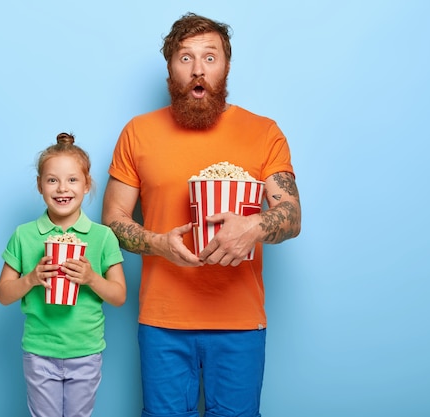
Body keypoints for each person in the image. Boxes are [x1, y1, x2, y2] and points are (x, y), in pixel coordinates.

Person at [102, 12, 301, 417]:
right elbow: (113, 220)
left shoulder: (264, 132)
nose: (197, 70)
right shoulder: (138, 132)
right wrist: (158, 242)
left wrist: (255, 224)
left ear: (226, 67)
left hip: (240, 321)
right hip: (162, 321)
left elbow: (291, 215)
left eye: (210, 58)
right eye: (185, 58)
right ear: (170, 70)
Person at [0, 132, 126, 417]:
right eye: (52, 180)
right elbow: (4, 294)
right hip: (39, 350)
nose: (61, 189)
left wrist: (92, 278)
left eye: (72, 180)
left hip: (86, 350)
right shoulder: (24, 235)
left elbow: (119, 296)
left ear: (86, 184)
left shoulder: (102, 237)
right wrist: (31, 278)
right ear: (40, 186)